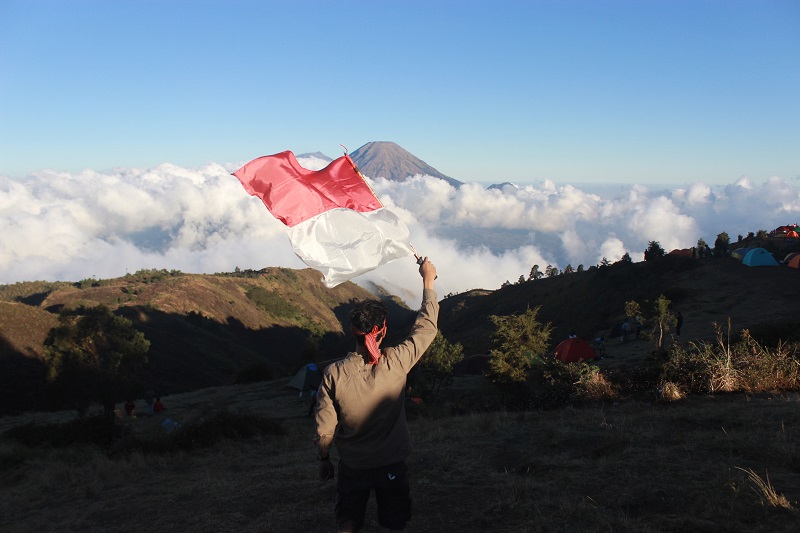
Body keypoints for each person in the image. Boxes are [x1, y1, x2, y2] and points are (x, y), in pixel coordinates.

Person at [315, 257, 438, 533]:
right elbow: (426, 327)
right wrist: (428, 279)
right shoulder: (397, 362)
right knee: (394, 522)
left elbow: (325, 427)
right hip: (391, 463)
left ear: (353, 333)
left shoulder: (333, 373)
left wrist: (324, 460)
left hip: (353, 466)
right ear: (382, 331)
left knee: (348, 522)